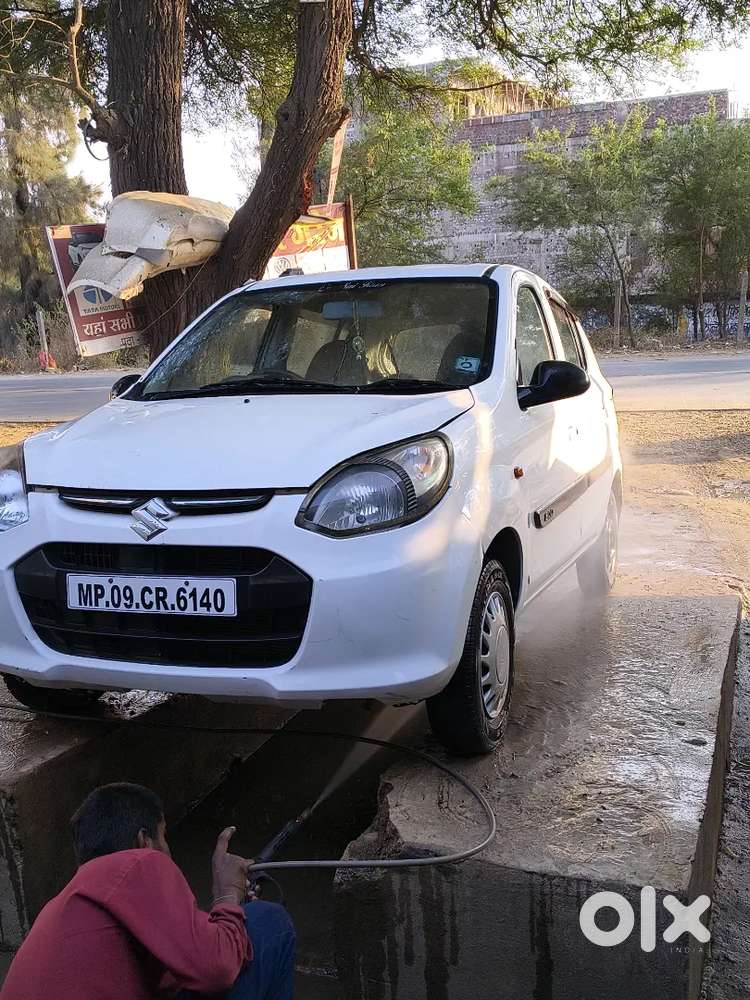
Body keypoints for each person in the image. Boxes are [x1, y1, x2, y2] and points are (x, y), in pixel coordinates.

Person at [1, 783, 296, 999]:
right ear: (145, 840)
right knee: (267, 921)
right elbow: (215, 971)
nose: (167, 849)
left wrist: (225, 920)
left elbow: (175, 971)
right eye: (164, 836)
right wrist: (227, 894)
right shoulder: (139, 862)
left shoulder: (68, 904)